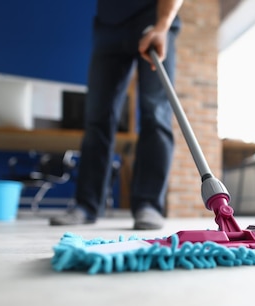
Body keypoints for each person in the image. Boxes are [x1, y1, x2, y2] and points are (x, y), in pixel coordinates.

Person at [50, 0, 183, 229]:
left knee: (155, 112)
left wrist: (161, 26)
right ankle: (86, 205)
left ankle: (148, 204)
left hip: (154, 15)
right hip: (109, 24)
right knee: (96, 117)